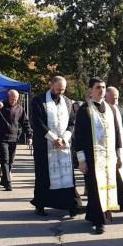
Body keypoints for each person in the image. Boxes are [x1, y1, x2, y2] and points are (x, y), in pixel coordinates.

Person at [74, 78, 122, 234]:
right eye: (97, 87)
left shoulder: (111, 109)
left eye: (103, 87)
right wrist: (81, 161)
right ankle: (98, 221)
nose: (101, 90)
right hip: (91, 157)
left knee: (107, 187)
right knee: (95, 189)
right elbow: (79, 138)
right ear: (91, 90)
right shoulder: (84, 110)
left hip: (108, 157)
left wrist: (119, 155)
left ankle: (99, 213)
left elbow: (117, 133)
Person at [30, 76, 82, 217]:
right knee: (43, 176)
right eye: (58, 89)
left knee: (67, 177)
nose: (61, 92)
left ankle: (71, 205)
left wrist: (64, 137)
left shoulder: (67, 101)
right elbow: (37, 122)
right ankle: (40, 205)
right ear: (51, 85)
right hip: (45, 146)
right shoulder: (39, 100)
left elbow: (72, 122)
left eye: (63, 89)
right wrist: (53, 138)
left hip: (64, 146)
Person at [105, 86, 123, 211]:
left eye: (116, 98)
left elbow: (122, 128)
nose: (114, 101)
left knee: (122, 175)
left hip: (120, 146)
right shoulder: (102, 110)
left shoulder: (120, 109)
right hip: (108, 147)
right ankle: (122, 200)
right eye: (112, 98)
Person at [0, 90, 32, 191]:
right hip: (1, 138)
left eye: (15, 99)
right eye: (12, 99)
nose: (13, 101)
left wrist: (29, 136)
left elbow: (25, 122)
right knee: (5, 160)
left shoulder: (19, 108)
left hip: (13, 138)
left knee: (10, 161)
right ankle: (8, 183)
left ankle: (3, 180)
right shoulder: (1, 105)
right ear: (8, 97)